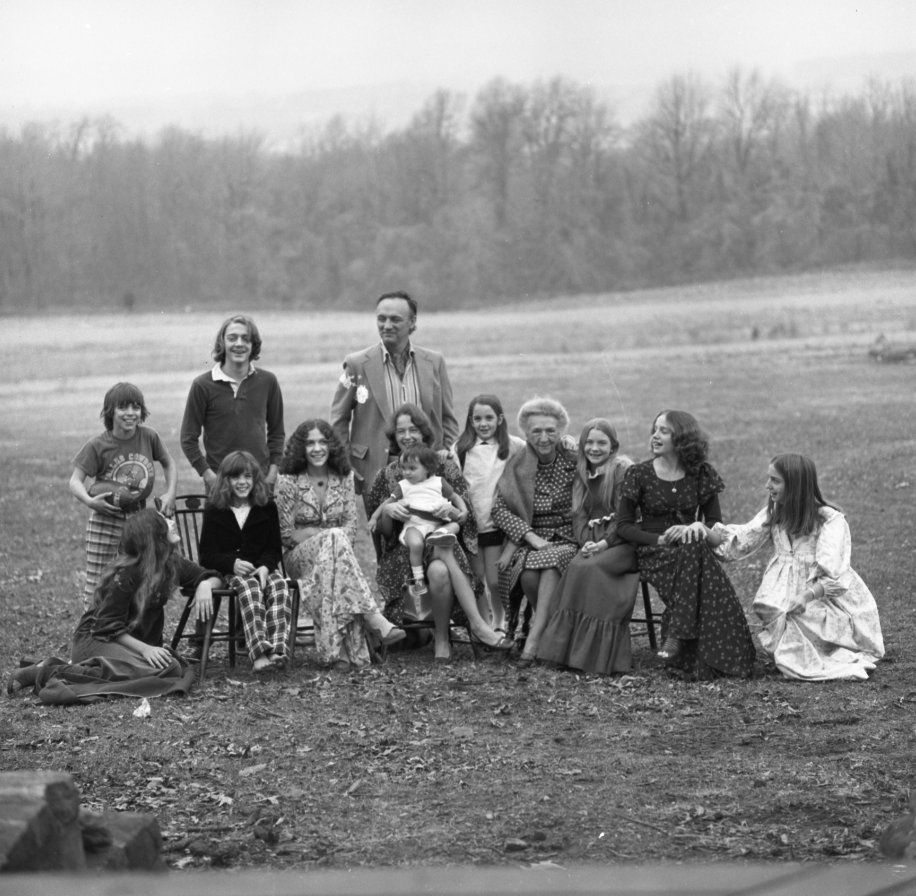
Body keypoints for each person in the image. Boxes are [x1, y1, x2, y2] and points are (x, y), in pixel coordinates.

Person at [7, 510, 221, 704]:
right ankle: (44, 673)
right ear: (154, 535)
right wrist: (146, 649)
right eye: (165, 521)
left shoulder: (170, 562)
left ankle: (74, 668)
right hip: (97, 639)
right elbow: (106, 626)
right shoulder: (126, 574)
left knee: (170, 669)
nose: (172, 522)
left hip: (133, 644)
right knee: (159, 672)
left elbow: (215, 577)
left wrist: (205, 585)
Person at [714, 453, 884, 680]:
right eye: (769, 479)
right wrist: (702, 532)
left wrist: (805, 596)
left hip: (823, 597)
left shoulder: (829, 520)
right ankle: (797, 651)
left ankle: (823, 650)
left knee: (794, 615)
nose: (767, 486)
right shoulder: (774, 513)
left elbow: (836, 576)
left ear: (794, 485)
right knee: (780, 612)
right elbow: (740, 542)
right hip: (784, 591)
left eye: (775, 480)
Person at [366, 403, 513, 662]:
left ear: (424, 433)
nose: (407, 436)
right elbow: (383, 535)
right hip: (404, 552)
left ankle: (444, 638)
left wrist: (453, 512)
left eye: (413, 429)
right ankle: (475, 626)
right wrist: (389, 513)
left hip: (441, 538)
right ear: (393, 436)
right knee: (440, 565)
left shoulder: (444, 467)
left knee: (440, 560)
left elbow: (465, 516)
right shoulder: (386, 476)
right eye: (401, 431)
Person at [616, 410, 756, 680]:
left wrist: (696, 527)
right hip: (655, 551)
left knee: (693, 542)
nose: (655, 436)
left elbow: (716, 527)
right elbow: (624, 525)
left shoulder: (702, 474)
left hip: (692, 549)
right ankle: (715, 653)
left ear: (682, 438)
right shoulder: (639, 473)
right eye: (654, 429)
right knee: (706, 578)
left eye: (664, 431)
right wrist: (659, 539)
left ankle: (677, 635)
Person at [275, 419, 406, 672]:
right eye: (310, 443)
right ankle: (373, 618)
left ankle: (341, 655)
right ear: (300, 448)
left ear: (331, 445)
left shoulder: (344, 476)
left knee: (335, 552)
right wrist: (323, 533)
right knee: (334, 538)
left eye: (322, 442)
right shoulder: (289, 479)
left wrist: (324, 535)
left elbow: (351, 530)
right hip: (299, 559)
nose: (316, 448)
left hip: (337, 559)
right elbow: (286, 533)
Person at [330, 291, 459, 510]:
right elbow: (338, 419)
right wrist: (346, 465)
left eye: (395, 319)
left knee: (427, 533)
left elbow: (447, 418)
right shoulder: (356, 364)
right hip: (376, 466)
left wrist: (447, 457)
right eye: (381, 319)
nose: (387, 325)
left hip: (427, 466)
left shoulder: (434, 362)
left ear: (412, 322)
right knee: (383, 535)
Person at [535, 419, 641, 676]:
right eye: (589, 443)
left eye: (601, 443)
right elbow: (579, 516)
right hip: (594, 542)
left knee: (592, 568)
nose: (595, 448)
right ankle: (568, 651)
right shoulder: (582, 475)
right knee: (576, 566)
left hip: (623, 541)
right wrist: (586, 542)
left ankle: (596, 655)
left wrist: (604, 543)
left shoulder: (622, 471)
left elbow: (626, 519)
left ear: (613, 446)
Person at [69, 382, 178, 608]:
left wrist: (170, 493)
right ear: (110, 411)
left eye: (136, 407)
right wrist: (90, 501)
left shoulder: (149, 436)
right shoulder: (98, 444)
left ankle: (128, 633)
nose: (131, 413)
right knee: (100, 580)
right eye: (123, 408)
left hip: (139, 519)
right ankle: (89, 634)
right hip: (105, 519)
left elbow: (169, 464)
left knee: (137, 576)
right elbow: (75, 481)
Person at [491, 397, 580, 667]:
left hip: (569, 537)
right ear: (525, 434)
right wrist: (529, 536)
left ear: (561, 432)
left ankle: (534, 640)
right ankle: (551, 634)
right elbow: (499, 510)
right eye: (536, 431)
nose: (544, 438)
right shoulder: (518, 465)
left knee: (550, 562)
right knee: (528, 574)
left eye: (551, 431)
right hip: (531, 540)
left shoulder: (574, 460)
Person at [199, 451, 293, 673]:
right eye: (235, 477)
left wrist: (265, 567)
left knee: (280, 586)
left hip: (262, 567)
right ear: (226, 480)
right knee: (250, 589)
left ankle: (277, 649)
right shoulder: (215, 510)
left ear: (255, 479)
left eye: (247, 477)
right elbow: (207, 555)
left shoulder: (266, 507)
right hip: (231, 572)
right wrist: (232, 564)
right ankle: (259, 652)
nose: (242, 482)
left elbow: (273, 548)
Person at [181, 314, 285, 492]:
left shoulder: (268, 381)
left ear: (253, 345)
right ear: (222, 343)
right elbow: (188, 438)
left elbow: (277, 434)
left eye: (246, 339)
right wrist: (210, 477)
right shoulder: (202, 385)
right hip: (220, 486)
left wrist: (271, 476)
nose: (239, 344)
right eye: (232, 338)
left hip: (259, 484)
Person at [450, 394, 526, 633]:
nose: (483, 423)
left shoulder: (513, 446)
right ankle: (483, 623)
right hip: (471, 524)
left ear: (500, 419)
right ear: (471, 421)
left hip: (496, 523)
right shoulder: (460, 449)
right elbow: (452, 479)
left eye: (489, 418)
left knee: (495, 579)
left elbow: (535, 451)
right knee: (478, 578)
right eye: (478, 418)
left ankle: (499, 622)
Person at [367, 444, 467, 599]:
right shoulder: (404, 486)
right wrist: (374, 517)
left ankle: (441, 534)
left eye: (412, 468)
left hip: (437, 525)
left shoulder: (439, 482)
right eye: (403, 468)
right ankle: (418, 578)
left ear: (427, 468)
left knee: (454, 526)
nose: (406, 472)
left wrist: (463, 511)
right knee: (416, 544)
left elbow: (455, 497)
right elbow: (387, 502)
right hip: (414, 525)